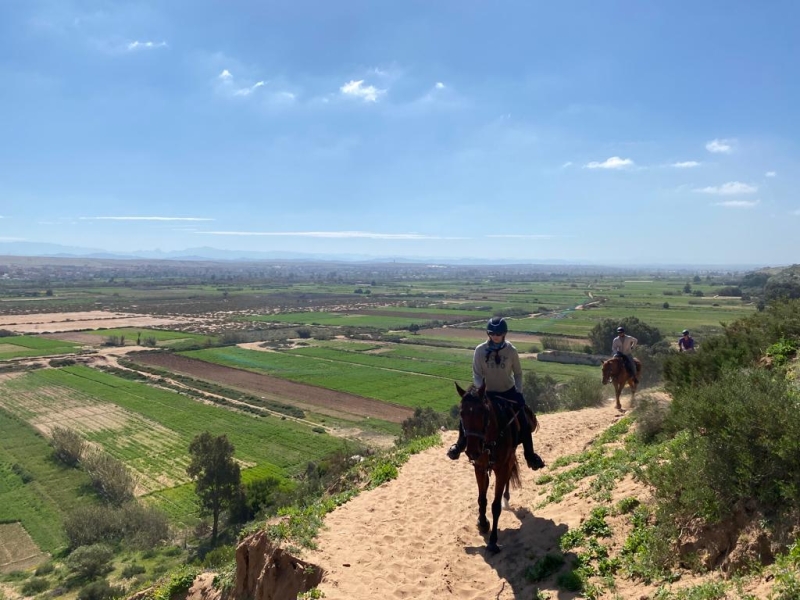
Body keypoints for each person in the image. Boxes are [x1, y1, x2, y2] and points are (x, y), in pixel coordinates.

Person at [447, 317, 545, 470]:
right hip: (487, 392)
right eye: (492, 333)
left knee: (523, 419)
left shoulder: (511, 350)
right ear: (488, 333)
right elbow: (477, 374)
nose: (495, 336)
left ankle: (530, 455)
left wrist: (519, 391)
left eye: (499, 333)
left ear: (504, 334)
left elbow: (518, 373)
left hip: (508, 391)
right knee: (468, 412)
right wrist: (481, 391)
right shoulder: (480, 351)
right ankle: (460, 445)